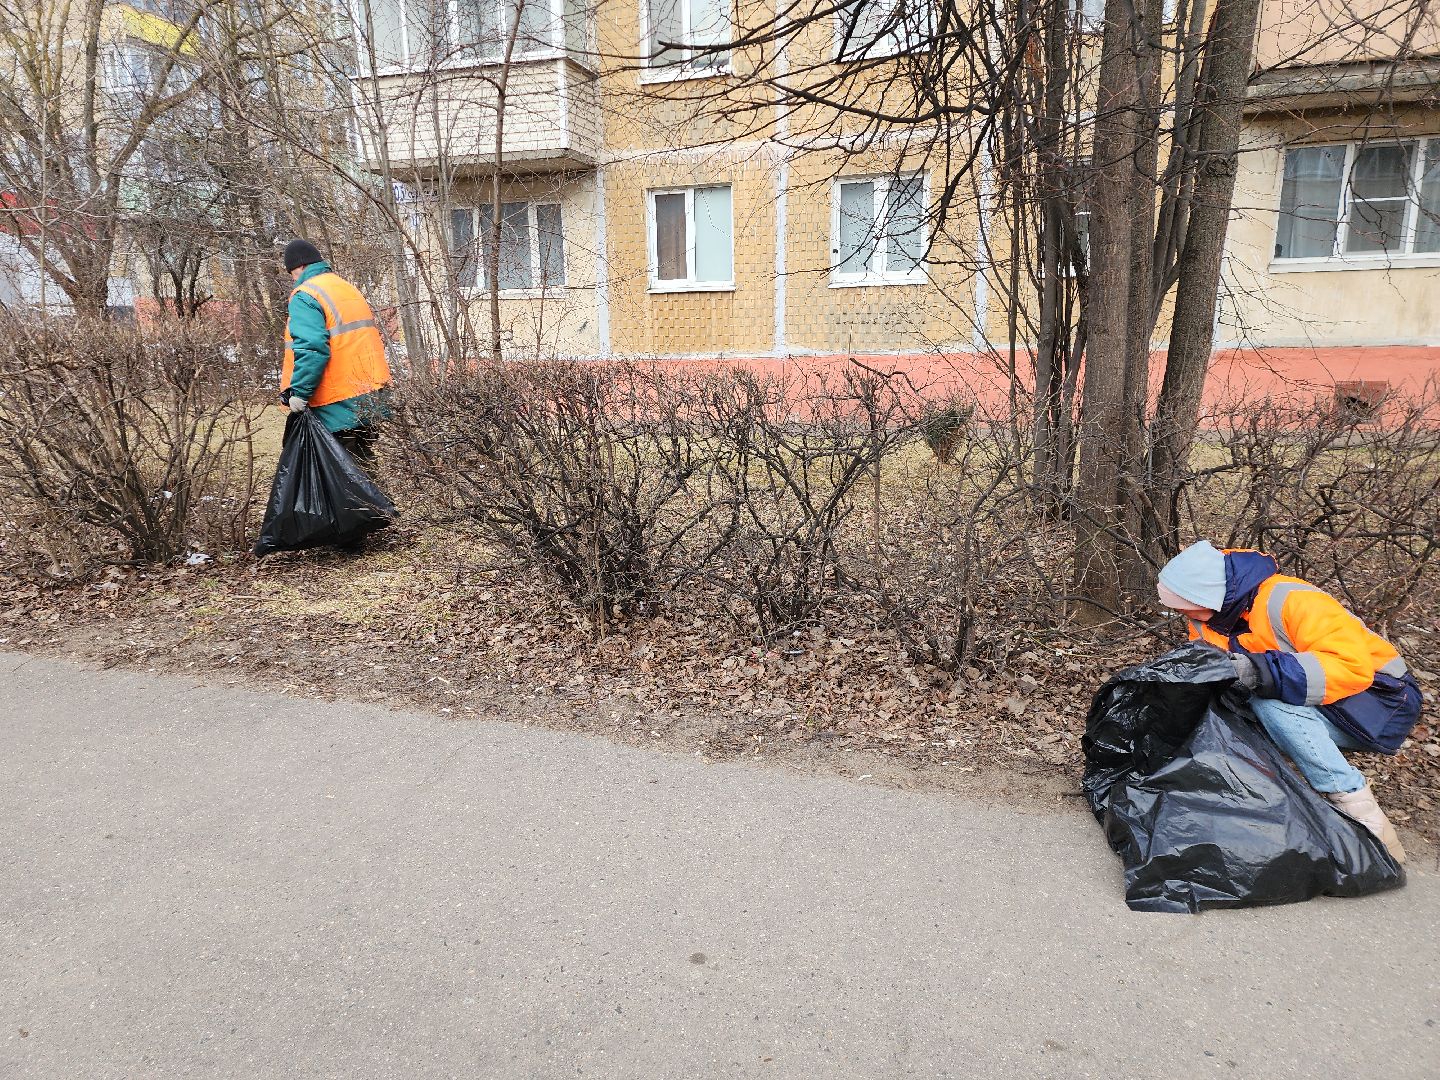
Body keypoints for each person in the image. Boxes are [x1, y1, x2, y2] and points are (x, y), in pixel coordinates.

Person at [1156, 540, 1421, 864]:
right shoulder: (1204, 618)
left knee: (1272, 706)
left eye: (1184, 605)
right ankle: (1278, 808)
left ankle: (1366, 821)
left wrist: (1258, 671)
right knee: (1228, 710)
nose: (1181, 614)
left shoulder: (1292, 600)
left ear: (1206, 595)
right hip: (1322, 696)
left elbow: (1351, 669)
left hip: (1382, 699)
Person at [278, 238, 392, 467]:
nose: (293, 280)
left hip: (336, 401)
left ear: (299, 267)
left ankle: (363, 505)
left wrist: (299, 392)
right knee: (362, 470)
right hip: (368, 395)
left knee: (341, 478)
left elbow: (312, 348)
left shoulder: (306, 294)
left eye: (291, 274)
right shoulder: (344, 287)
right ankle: (375, 504)